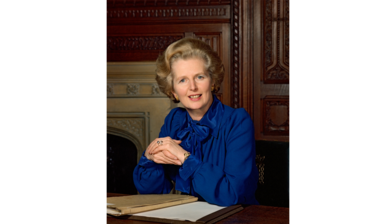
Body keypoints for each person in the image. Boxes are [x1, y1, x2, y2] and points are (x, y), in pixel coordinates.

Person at [133, 37, 259, 206]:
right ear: (174, 90)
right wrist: (149, 159)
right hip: (188, 215)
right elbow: (155, 193)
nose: (192, 87)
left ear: (212, 81)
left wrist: (184, 157)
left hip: (235, 217)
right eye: (182, 80)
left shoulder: (237, 122)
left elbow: (231, 195)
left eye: (199, 77)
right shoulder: (174, 120)